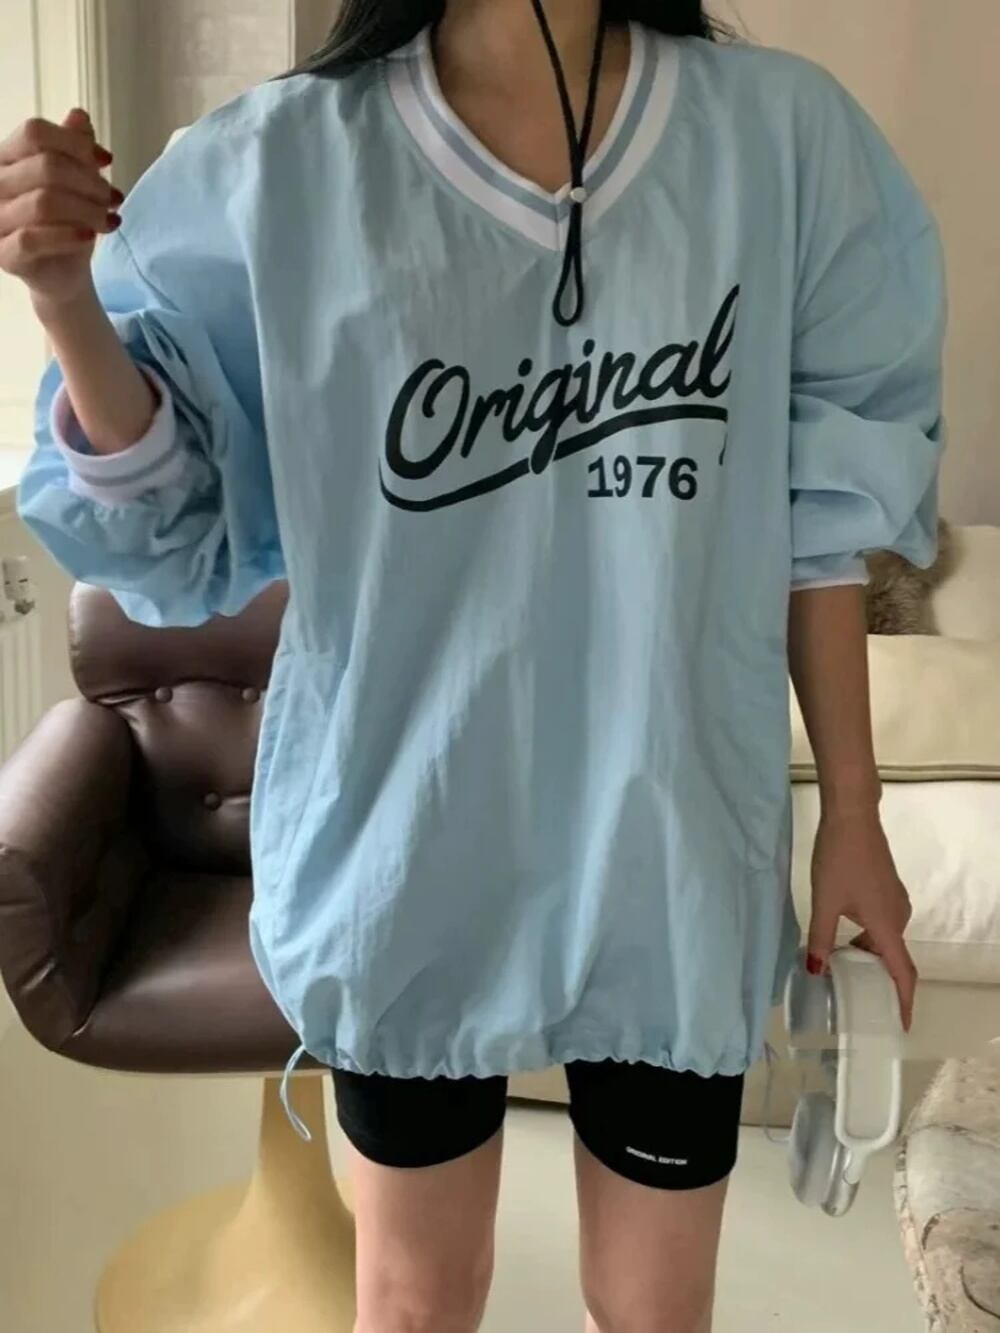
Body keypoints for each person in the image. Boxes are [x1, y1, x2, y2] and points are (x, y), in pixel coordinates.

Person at [1, 1, 944, 1328]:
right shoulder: (286, 163)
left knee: (655, 1311)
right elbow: (172, 514)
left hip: (667, 854)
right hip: (406, 850)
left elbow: (819, 522)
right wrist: (64, 301)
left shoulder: (778, 144)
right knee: (413, 1305)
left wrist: (855, 808)